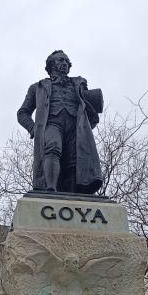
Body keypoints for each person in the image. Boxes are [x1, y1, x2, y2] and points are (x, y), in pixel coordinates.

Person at [16, 50, 104, 194]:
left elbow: (89, 107)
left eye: (66, 61)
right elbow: (22, 113)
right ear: (52, 65)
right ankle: (50, 188)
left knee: (75, 159)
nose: (64, 63)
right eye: (60, 60)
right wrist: (34, 130)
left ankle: (73, 193)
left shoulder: (79, 83)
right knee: (53, 147)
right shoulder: (37, 88)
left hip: (75, 126)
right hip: (51, 124)